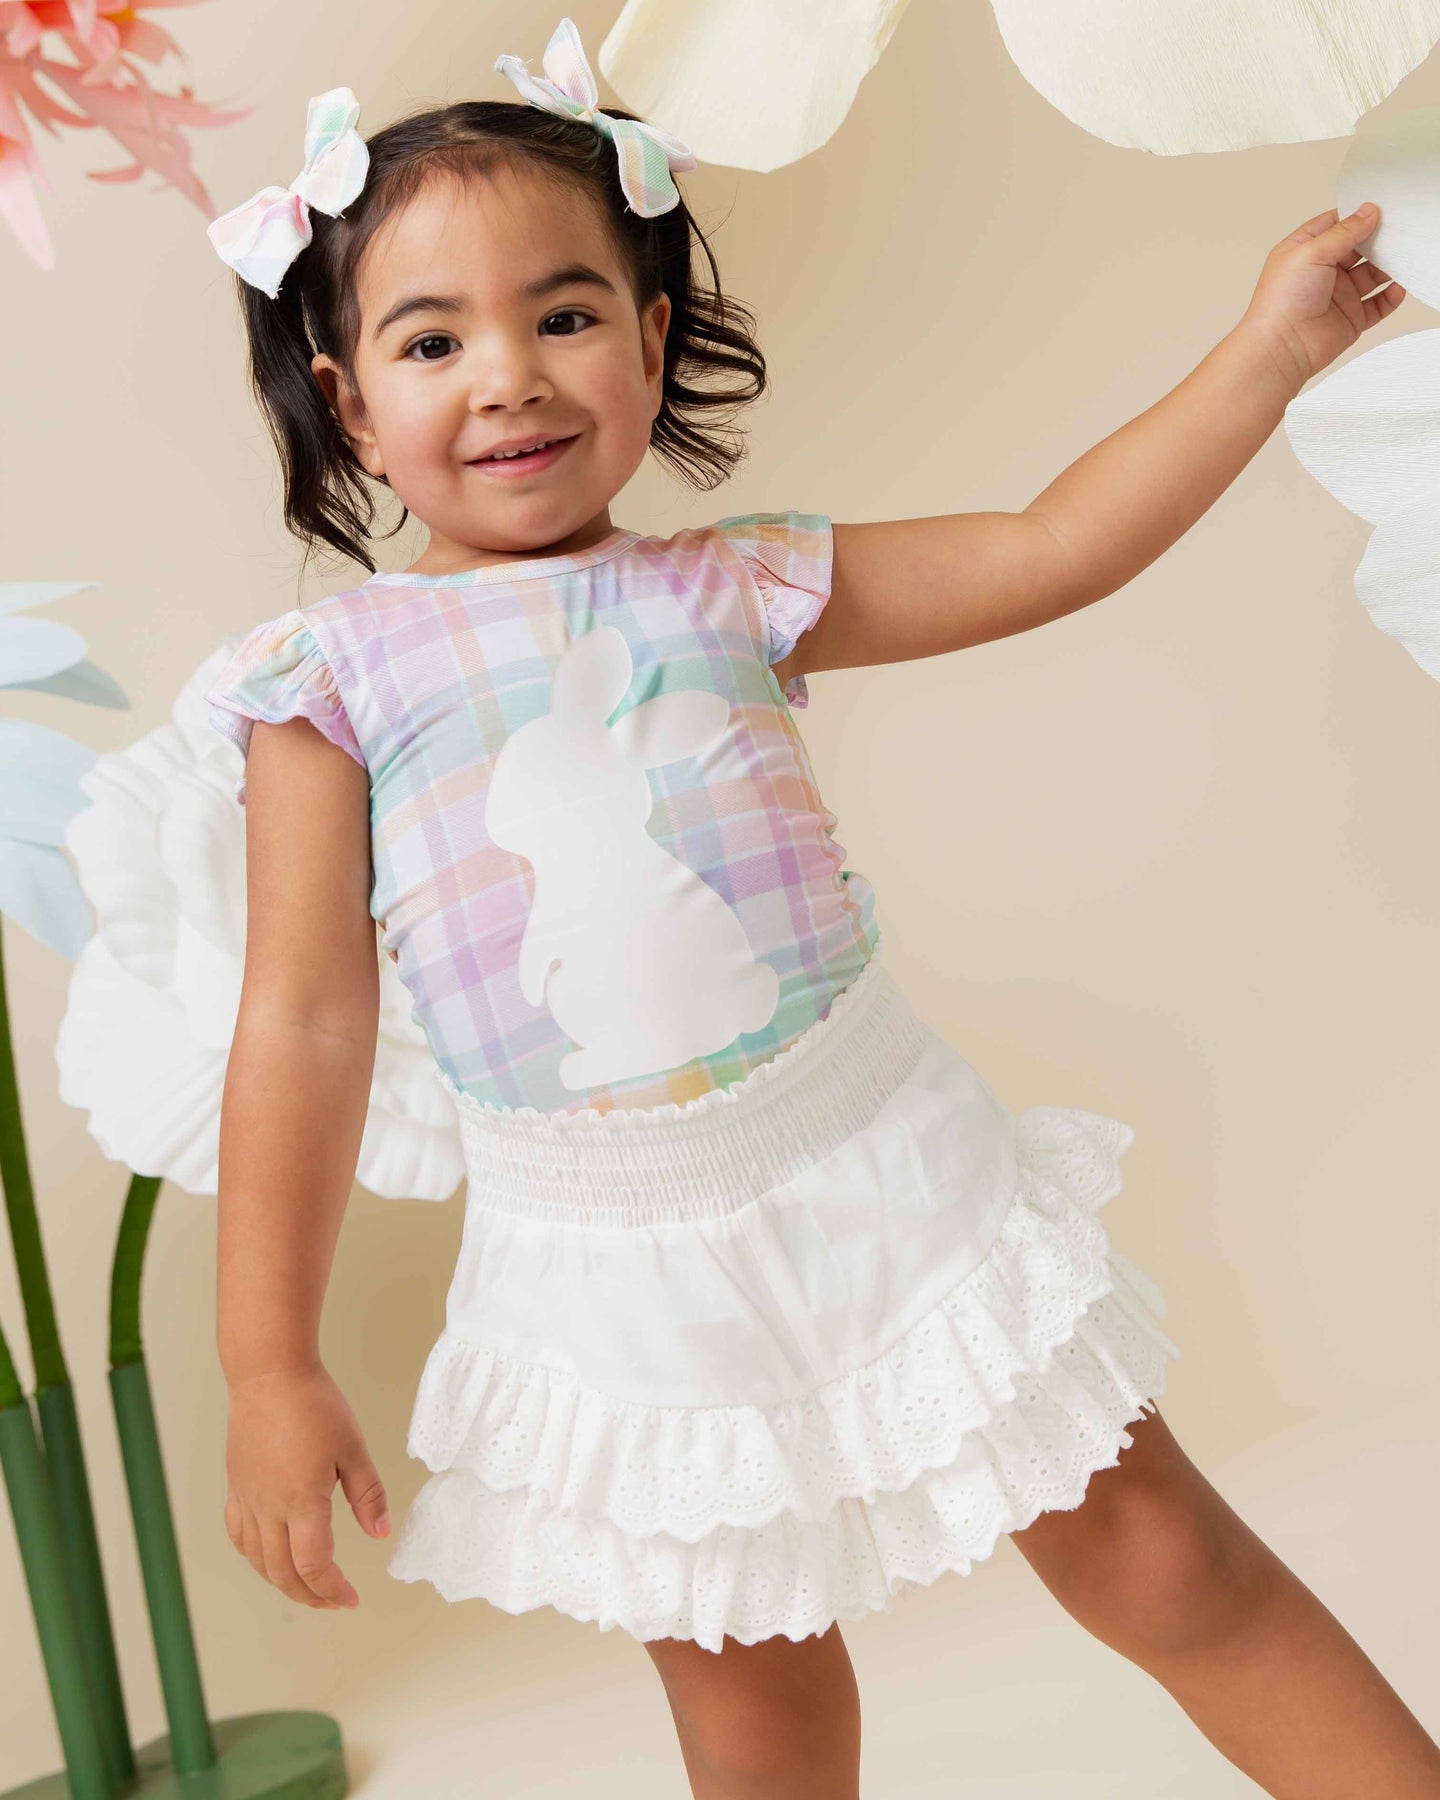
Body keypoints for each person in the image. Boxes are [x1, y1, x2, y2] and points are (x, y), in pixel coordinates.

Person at [203, 18, 1439, 1798]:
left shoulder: (742, 583)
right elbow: (306, 1021)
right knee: (758, 1705)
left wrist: (1271, 350)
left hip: (882, 1165)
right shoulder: (324, 685)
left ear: (651, 341)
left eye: (564, 315)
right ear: (347, 401)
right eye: (432, 339)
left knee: (1167, 1558)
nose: (510, 378)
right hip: (604, 1265)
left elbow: (1052, 544)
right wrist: (268, 1363)